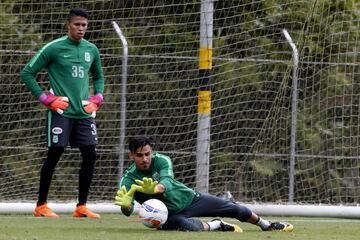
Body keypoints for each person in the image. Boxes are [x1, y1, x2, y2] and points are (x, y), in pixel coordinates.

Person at [20, 7, 104, 219]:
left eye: (84, 25)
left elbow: (99, 77)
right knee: (55, 153)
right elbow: (28, 72)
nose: (81, 29)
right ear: (68, 25)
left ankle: (81, 207)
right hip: (61, 112)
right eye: (77, 24)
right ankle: (41, 205)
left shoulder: (91, 50)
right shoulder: (54, 48)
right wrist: (45, 98)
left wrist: (97, 99)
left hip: (84, 114)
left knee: (91, 154)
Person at [115, 136, 294, 232]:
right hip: (168, 216)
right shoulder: (128, 179)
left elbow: (167, 181)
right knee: (187, 227)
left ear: (151, 152)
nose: (145, 159)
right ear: (131, 155)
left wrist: (156, 188)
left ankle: (267, 225)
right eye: (139, 155)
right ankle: (217, 225)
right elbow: (128, 208)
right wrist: (125, 207)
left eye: (147, 154)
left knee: (234, 208)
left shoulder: (162, 160)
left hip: (191, 199)